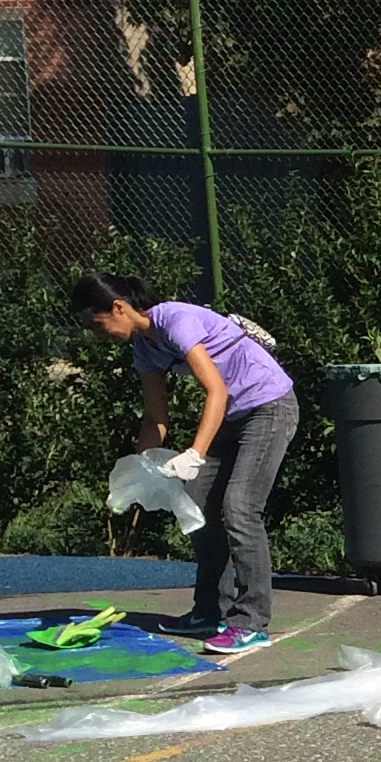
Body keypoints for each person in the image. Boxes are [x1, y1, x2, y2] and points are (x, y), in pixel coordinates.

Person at [71, 273, 298, 658]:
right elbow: (155, 417)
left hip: (268, 406)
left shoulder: (175, 321)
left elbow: (216, 390)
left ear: (119, 308)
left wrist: (195, 454)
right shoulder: (144, 348)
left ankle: (251, 622)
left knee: (240, 507)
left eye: (97, 324)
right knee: (196, 503)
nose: (98, 334)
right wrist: (138, 470)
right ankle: (211, 611)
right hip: (233, 415)